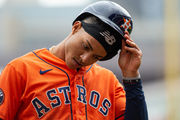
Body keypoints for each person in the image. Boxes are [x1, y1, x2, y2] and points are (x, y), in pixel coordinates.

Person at [0, 1, 148, 120]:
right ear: (76, 27)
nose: (85, 58)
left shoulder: (108, 81)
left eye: (96, 57)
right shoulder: (20, 70)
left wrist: (131, 76)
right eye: (85, 46)